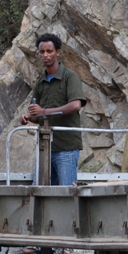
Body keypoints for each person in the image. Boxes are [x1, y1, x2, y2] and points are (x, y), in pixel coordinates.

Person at [19, 33, 87, 186]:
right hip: (46, 148)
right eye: (42, 52)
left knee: (66, 194)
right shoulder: (41, 83)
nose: (45, 55)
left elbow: (76, 105)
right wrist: (28, 117)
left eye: (49, 51)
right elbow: (38, 116)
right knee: (39, 192)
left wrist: (43, 111)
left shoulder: (70, 77)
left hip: (66, 148)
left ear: (58, 52)